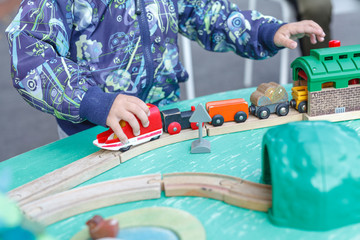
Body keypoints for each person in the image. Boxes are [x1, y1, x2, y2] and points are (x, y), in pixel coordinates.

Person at [5, 0, 325, 144]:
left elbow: (207, 14)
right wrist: (95, 101)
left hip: (164, 118)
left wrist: (266, 30)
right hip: (92, 132)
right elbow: (30, 55)